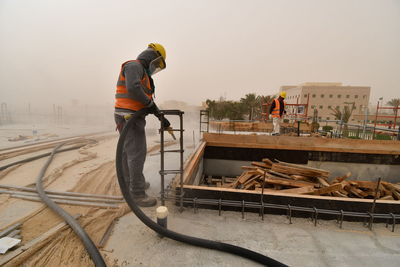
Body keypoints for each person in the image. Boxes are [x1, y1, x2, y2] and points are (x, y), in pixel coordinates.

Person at [114, 43, 170, 207]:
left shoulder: (142, 73)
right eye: (157, 63)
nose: (156, 68)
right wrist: (150, 105)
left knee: (127, 152)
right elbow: (133, 89)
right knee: (136, 154)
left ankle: (131, 183)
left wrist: (160, 116)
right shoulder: (134, 66)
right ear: (152, 56)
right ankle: (137, 193)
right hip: (129, 117)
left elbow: (147, 102)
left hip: (128, 116)